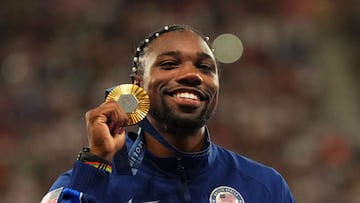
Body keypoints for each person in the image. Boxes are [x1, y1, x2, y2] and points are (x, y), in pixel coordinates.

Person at [41, 24, 296, 203]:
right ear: (137, 85)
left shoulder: (264, 186)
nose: (192, 75)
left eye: (205, 67)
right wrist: (96, 162)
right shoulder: (88, 182)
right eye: (169, 64)